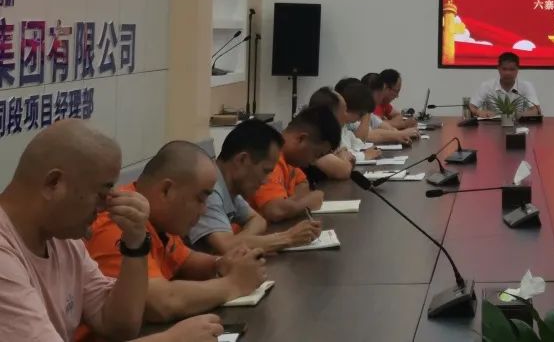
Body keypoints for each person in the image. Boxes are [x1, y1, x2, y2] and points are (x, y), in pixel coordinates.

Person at [0, 120, 222, 342]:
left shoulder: (64, 239)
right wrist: (172, 340)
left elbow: (118, 325)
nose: (105, 206)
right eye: (100, 194)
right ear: (54, 183)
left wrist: (135, 244)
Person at [82, 142, 267, 332]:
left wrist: (222, 263)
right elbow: (159, 303)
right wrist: (233, 284)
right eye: (200, 199)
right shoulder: (119, 220)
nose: (204, 210)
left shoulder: (161, 220)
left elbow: (185, 260)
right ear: (166, 190)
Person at [187, 120, 323, 254]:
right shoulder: (210, 190)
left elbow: (258, 220)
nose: (265, 181)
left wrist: (239, 241)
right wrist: (288, 238)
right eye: (265, 171)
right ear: (242, 160)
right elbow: (227, 247)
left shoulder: (231, 188)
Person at [250, 105, 341, 223]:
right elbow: (274, 210)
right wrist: (307, 202)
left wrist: (289, 205)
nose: (313, 162)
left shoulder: (290, 161)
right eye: (316, 154)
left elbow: (303, 184)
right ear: (301, 139)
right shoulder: (271, 158)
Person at [303, 87, 358, 182]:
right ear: (331, 115)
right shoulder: (313, 137)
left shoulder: (327, 135)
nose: (347, 116)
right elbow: (343, 171)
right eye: (344, 111)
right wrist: (343, 155)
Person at [469, 52, 541, 117]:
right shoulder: (487, 86)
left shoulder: (526, 86)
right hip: (492, 125)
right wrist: (479, 112)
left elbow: (536, 110)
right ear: (498, 69)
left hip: (518, 124)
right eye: (504, 69)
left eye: (512, 69)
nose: (508, 73)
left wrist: (516, 115)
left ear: (517, 70)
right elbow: (471, 107)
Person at [359, 73, 420, 145]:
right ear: (377, 93)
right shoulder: (362, 111)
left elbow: (387, 127)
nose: (383, 96)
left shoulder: (370, 114)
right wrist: (402, 133)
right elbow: (367, 135)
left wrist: (402, 133)